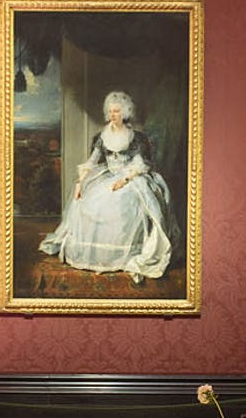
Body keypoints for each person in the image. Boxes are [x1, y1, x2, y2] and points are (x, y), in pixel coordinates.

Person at [39, 90, 176, 283]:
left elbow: (139, 164)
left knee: (122, 202)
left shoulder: (135, 137)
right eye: (111, 111)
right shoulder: (102, 137)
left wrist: (124, 180)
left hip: (131, 177)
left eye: (117, 112)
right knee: (87, 201)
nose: (113, 115)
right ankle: (98, 257)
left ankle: (122, 255)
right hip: (108, 176)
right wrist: (80, 184)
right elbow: (92, 162)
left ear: (125, 113)